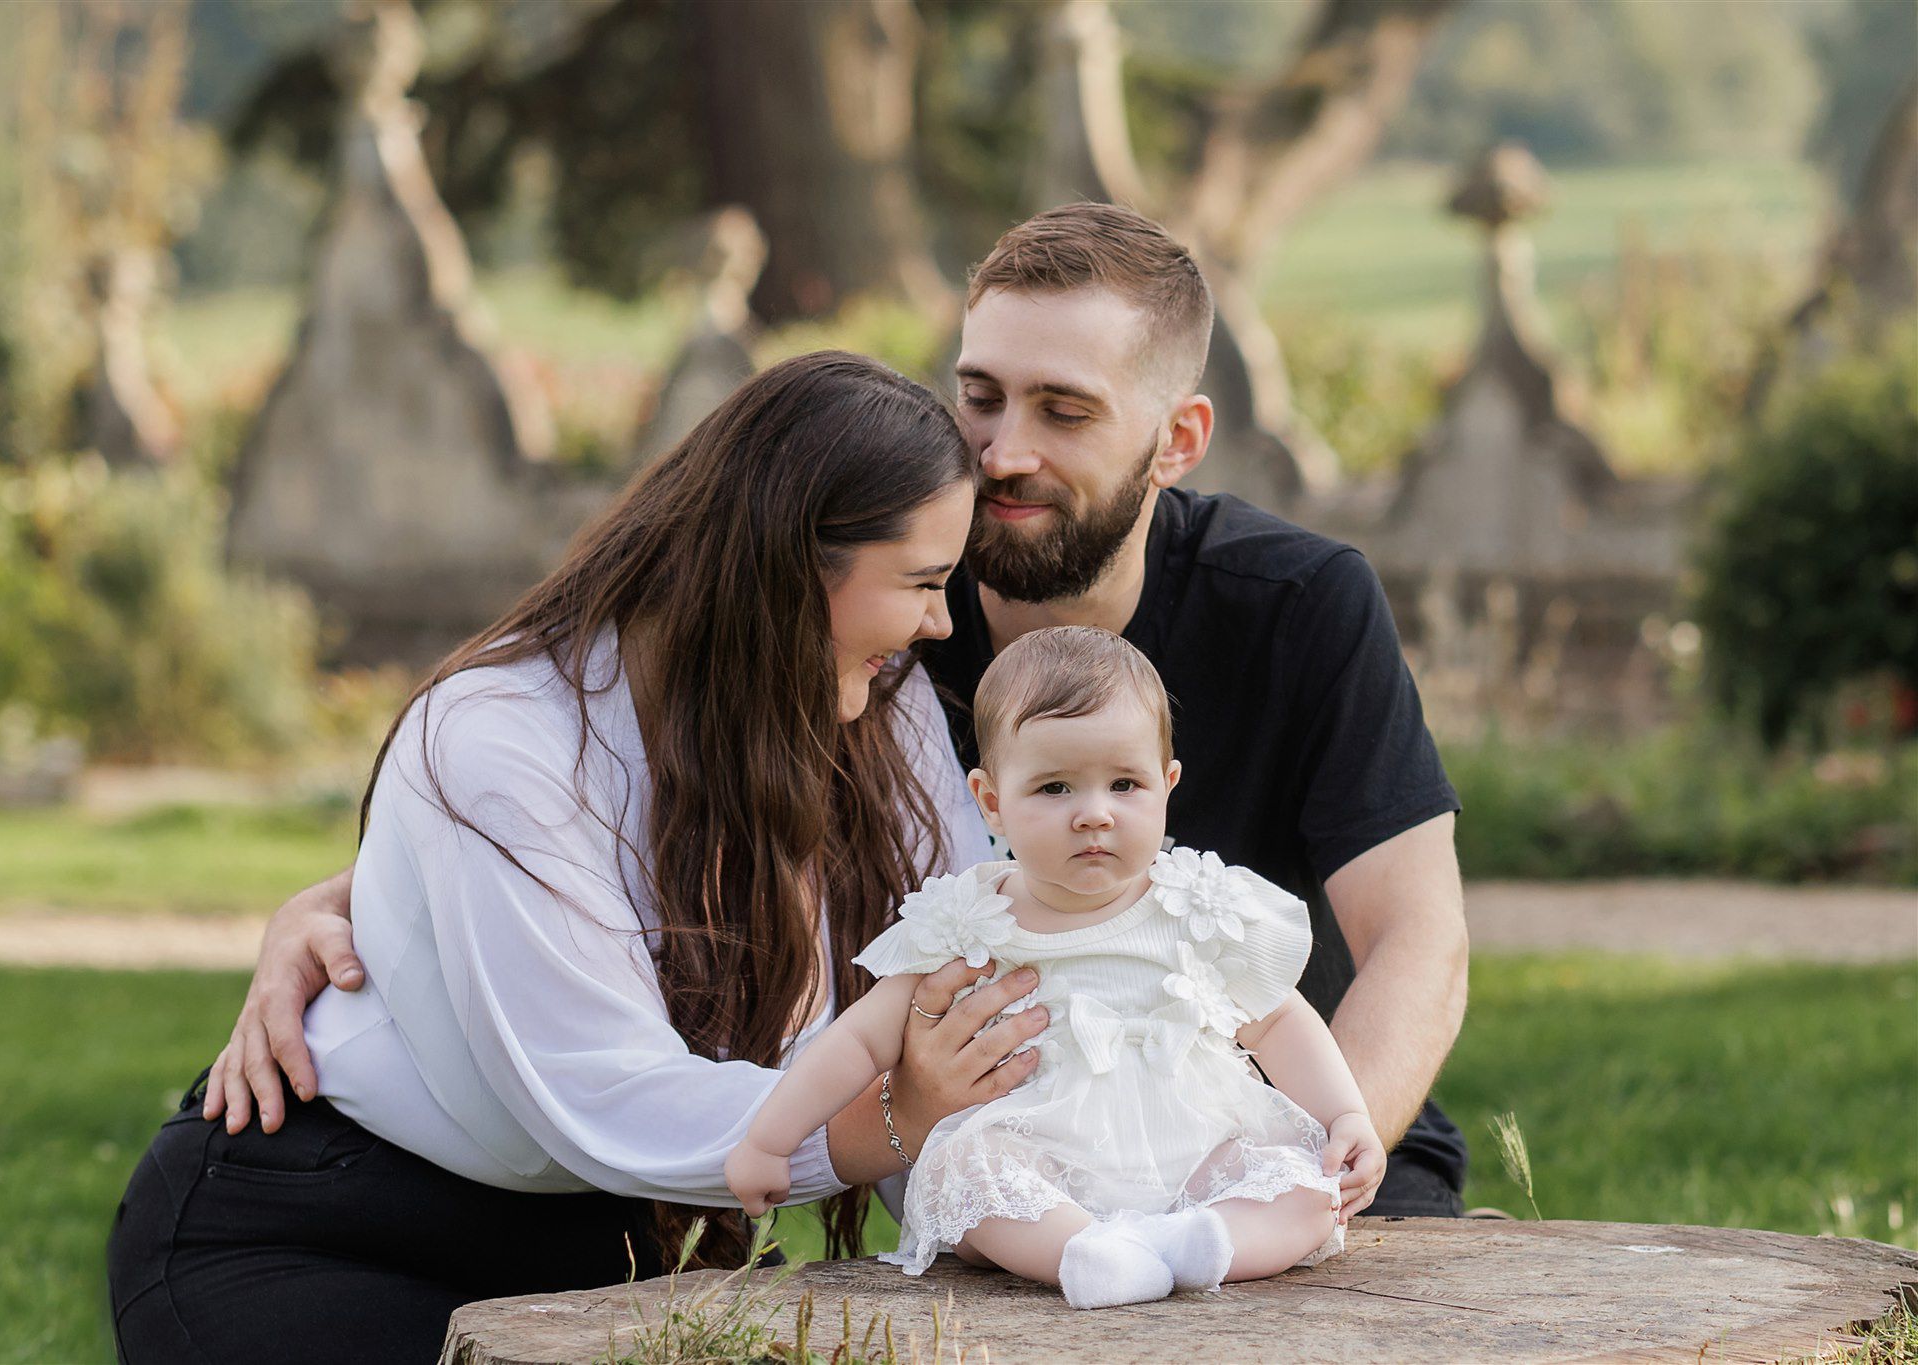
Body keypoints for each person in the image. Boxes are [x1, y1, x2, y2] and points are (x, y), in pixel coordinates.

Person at [213, 203, 1470, 1219]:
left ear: (1178, 438)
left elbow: (1418, 941)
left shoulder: (1297, 603)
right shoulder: (878, 621)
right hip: (1015, 1155)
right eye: (980, 395)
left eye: (1063, 410)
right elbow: (607, 783)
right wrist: (352, 905)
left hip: (1282, 1119)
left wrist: (1286, 1174)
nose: (1001, 451)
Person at [106, 352, 1049, 1363]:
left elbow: (964, 986)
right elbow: (610, 1094)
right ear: (789, 568)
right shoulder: (499, 737)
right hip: (326, 1230)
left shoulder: (878, 708)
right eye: (921, 582)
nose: (939, 621)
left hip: (614, 1241)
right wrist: (895, 1115)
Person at [728, 627, 1384, 1311]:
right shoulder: (971, 921)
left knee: (1306, 1185)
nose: (1093, 814)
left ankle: (1207, 1242)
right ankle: (1088, 1254)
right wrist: (771, 1139)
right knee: (969, 1172)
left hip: (1196, 1155)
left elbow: (1279, 1021)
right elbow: (863, 1039)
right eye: (1054, 787)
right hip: (1039, 1164)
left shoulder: (1198, 906)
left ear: (1167, 784)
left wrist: (1345, 1114)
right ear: (991, 801)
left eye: (1124, 784)